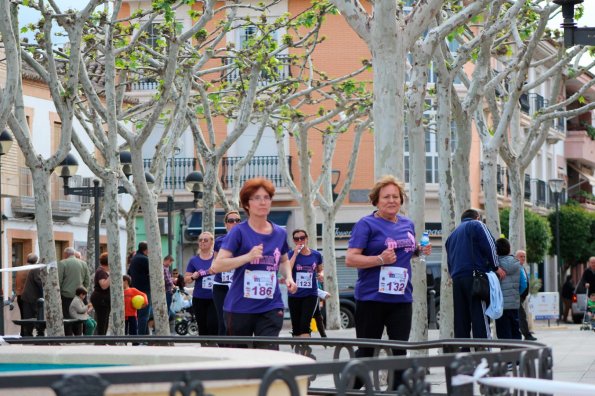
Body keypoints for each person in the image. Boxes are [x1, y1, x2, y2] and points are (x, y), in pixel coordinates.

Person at [345, 175, 431, 388]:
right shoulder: (366, 224)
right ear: (376, 201)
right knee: (367, 352)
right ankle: (350, 389)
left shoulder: (407, 223)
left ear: (401, 200)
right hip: (371, 298)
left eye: (396, 196)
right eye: (386, 197)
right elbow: (350, 259)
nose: (391, 200)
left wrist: (419, 251)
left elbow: (406, 252)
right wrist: (380, 259)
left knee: (399, 352)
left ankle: (397, 392)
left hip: (401, 298)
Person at [212, 178, 297, 345]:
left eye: (266, 197)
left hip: (271, 306)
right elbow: (217, 265)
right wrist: (248, 257)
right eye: (256, 198)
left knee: (267, 356)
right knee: (242, 363)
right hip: (239, 308)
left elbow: (284, 260)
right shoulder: (238, 232)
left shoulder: (280, 233)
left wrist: (289, 277)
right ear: (247, 204)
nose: (263, 202)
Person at [446, 209, 505, 340]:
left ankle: (463, 351)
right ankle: (483, 350)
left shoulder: (452, 235)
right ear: (477, 217)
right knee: (479, 315)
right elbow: (490, 245)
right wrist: (496, 267)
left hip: (457, 279)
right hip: (475, 277)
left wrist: (452, 275)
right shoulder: (477, 225)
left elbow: (449, 260)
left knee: (461, 318)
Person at [287, 229, 323, 338]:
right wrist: (295, 254)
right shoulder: (290, 254)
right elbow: (287, 269)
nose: (300, 241)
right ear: (294, 241)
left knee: (304, 325)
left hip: (310, 294)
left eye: (302, 238)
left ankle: (305, 351)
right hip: (294, 294)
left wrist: (321, 274)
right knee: (296, 328)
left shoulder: (316, 255)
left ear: (307, 238)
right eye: (296, 239)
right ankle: (298, 351)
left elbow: (320, 269)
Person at [212, 210, 241, 335]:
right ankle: (222, 348)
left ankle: (238, 347)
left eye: (237, 220)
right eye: (231, 221)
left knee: (238, 318)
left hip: (238, 284)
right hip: (221, 284)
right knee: (222, 318)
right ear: (226, 224)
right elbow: (215, 263)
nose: (234, 223)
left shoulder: (245, 240)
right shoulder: (219, 241)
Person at [184, 232, 218, 336]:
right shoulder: (194, 260)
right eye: (200, 240)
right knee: (202, 327)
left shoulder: (217, 259)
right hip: (199, 298)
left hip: (215, 298)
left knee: (213, 325)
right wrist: (193, 276)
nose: (202, 242)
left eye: (206, 240)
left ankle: (214, 350)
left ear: (212, 242)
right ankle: (204, 349)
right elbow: (187, 279)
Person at [58, 247, 90, 336]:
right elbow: (87, 280)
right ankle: (78, 336)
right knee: (79, 316)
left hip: (66, 295)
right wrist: (82, 292)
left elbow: (59, 281)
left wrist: (59, 293)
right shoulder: (83, 264)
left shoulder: (62, 263)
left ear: (65, 254)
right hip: (80, 296)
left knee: (67, 316)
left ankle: (68, 337)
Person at [494, 238, 522, 340]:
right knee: (515, 332)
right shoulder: (517, 264)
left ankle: (506, 355)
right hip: (514, 305)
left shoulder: (495, 265)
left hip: (501, 306)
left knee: (503, 335)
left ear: (496, 250)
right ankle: (517, 354)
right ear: (509, 249)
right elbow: (523, 284)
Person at [128, 241, 151, 335]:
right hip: (144, 290)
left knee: (140, 313)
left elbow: (129, 272)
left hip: (135, 289)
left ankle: (146, 336)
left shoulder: (134, 258)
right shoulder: (145, 259)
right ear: (146, 250)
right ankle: (142, 337)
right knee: (144, 314)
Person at [515, 250, 536, 340]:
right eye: (521, 256)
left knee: (520, 316)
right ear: (516, 257)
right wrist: (520, 293)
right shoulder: (518, 267)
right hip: (517, 296)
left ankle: (525, 334)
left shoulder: (521, 266)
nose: (523, 258)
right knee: (521, 316)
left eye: (524, 256)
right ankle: (527, 335)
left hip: (520, 296)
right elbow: (523, 283)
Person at [20, 253, 43, 337]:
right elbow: (38, 281)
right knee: (31, 316)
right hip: (31, 297)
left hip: (28, 296)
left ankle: (28, 334)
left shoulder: (33, 268)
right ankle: (29, 335)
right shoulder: (37, 268)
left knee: (29, 316)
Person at [15, 254, 38, 336]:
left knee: (23, 315)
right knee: (29, 315)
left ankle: (23, 332)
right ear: (36, 261)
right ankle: (27, 333)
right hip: (29, 296)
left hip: (19, 295)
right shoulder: (33, 269)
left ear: (27, 259)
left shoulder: (21, 268)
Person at [90, 252, 111, 335]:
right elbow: (104, 285)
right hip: (101, 300)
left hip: (103, 299)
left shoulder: (102, 271)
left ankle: (102, 339)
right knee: (102, 320)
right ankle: (101, 340)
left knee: (104, 320)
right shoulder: (101, 271)